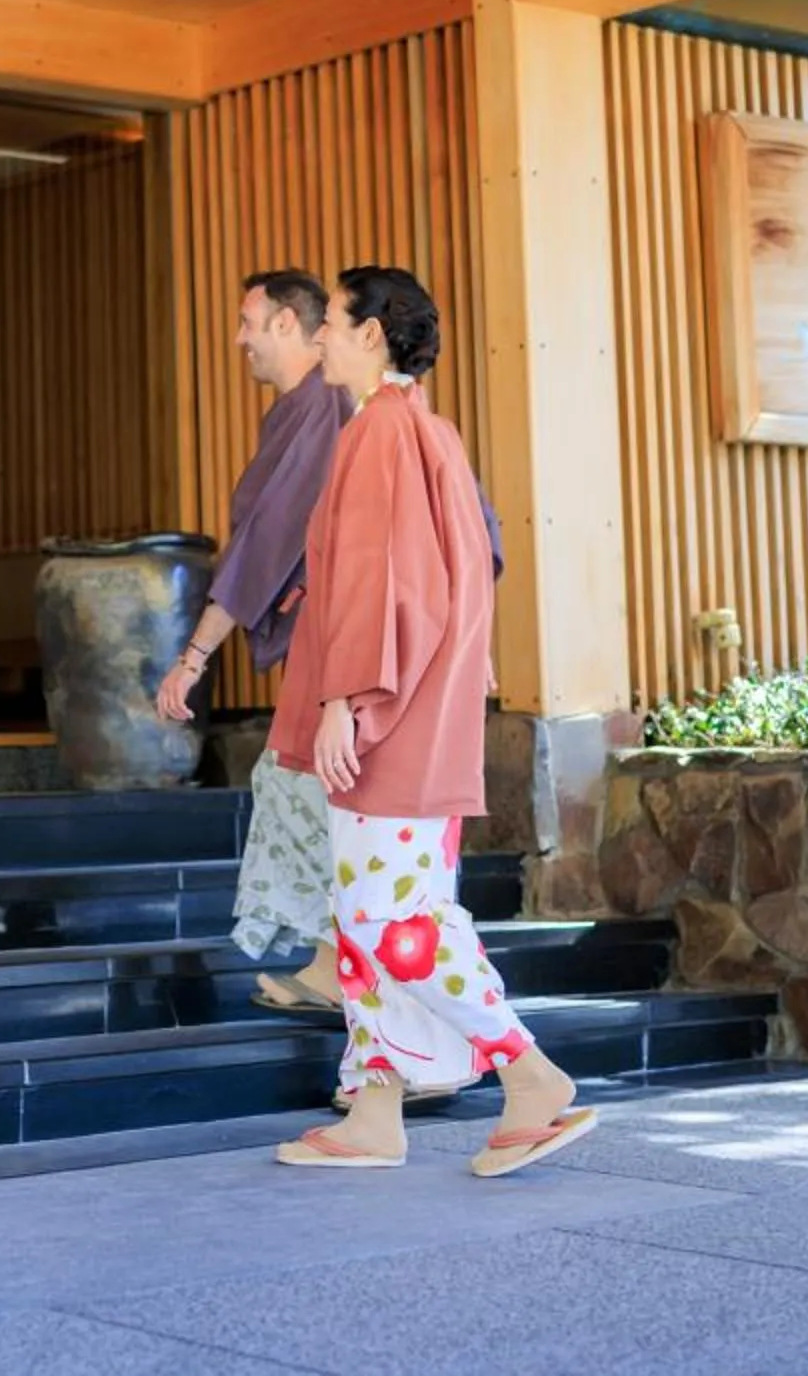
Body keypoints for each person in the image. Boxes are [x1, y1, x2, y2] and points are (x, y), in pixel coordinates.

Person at [272, 265, 592, 1178]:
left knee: (390, 922)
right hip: (418, 709)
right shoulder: (428, 432)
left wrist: (347, 700)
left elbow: (385, 581)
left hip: (389, 718)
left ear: (372, 333)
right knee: (372, 914)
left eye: (332, 321)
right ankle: (375, 1113)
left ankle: (531, 1077)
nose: (323, 337)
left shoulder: (381, 433)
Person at [153, 271, 349, 1011]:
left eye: (249, 322)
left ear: (292, 325)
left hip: (338, 645)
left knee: (310, 787)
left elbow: (267, 540)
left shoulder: (327, 407)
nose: (239, 339)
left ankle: (365, 984)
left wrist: (196, 654)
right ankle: (335, 963)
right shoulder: (305, 411)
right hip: (321, 642)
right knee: (308, 791)